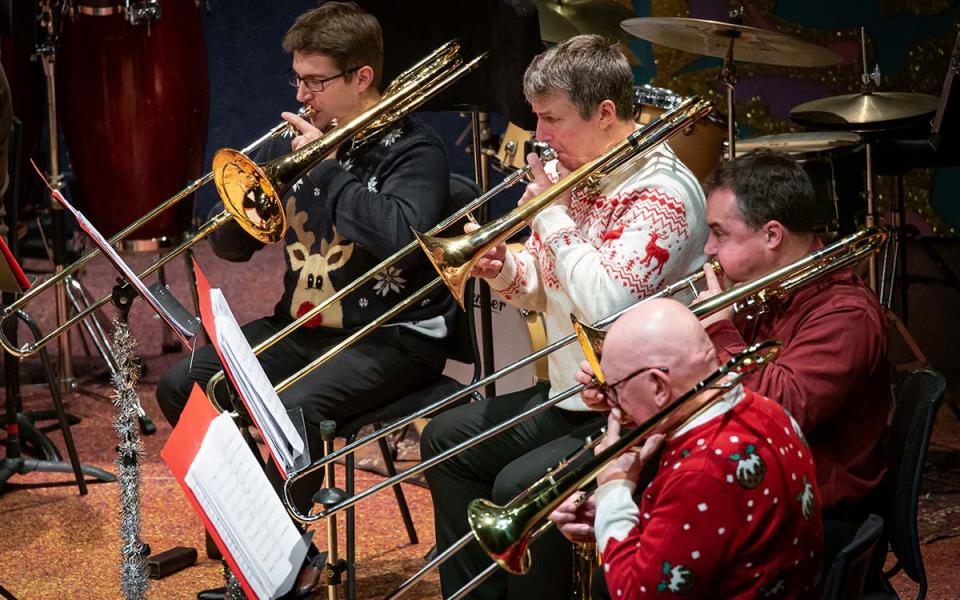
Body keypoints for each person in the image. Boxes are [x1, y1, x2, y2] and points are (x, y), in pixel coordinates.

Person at [421, 34, 707, 599]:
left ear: (604, 113)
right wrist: (504, 268)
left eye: (552, 119)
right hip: (570, 394)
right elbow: (545, 288)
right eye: (537, 118)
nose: (540, 135)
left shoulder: (663, 195)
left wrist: (550, 213)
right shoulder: (579, 169)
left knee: (517, 486)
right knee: (445, 442)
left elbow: (605, 306)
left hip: (634, 412)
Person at [157, 0, 455, 518]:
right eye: (297, 79)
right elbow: (232, 250)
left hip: (391, 336)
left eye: (315, 82)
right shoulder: (297, 144)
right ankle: (253, 522)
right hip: (303, 328)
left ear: (362, 77)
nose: (300, 95)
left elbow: (400, 240)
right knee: (182, 385)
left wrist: (326, 170)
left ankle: (282, 546)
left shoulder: (414, 151)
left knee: (295, 407)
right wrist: (240, 206)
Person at [579, 149, 890, 576]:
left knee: (620, 573)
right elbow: (705, 399)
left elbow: (775, 412)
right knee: (591, 504)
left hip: (810, 518)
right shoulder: (759, 289)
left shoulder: (845, 313)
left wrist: (719, 331)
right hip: (746, 481)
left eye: (719, 234)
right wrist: (626, 394)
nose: (708, 249)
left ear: (772, 235)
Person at [551, 298, 824, 599]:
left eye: (615, 389)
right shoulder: (765, 409)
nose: (615, 406)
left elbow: (633, 595)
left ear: (658, 386)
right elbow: (701, 529)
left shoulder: (703, 472)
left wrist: (613, 492)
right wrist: (610, 515)